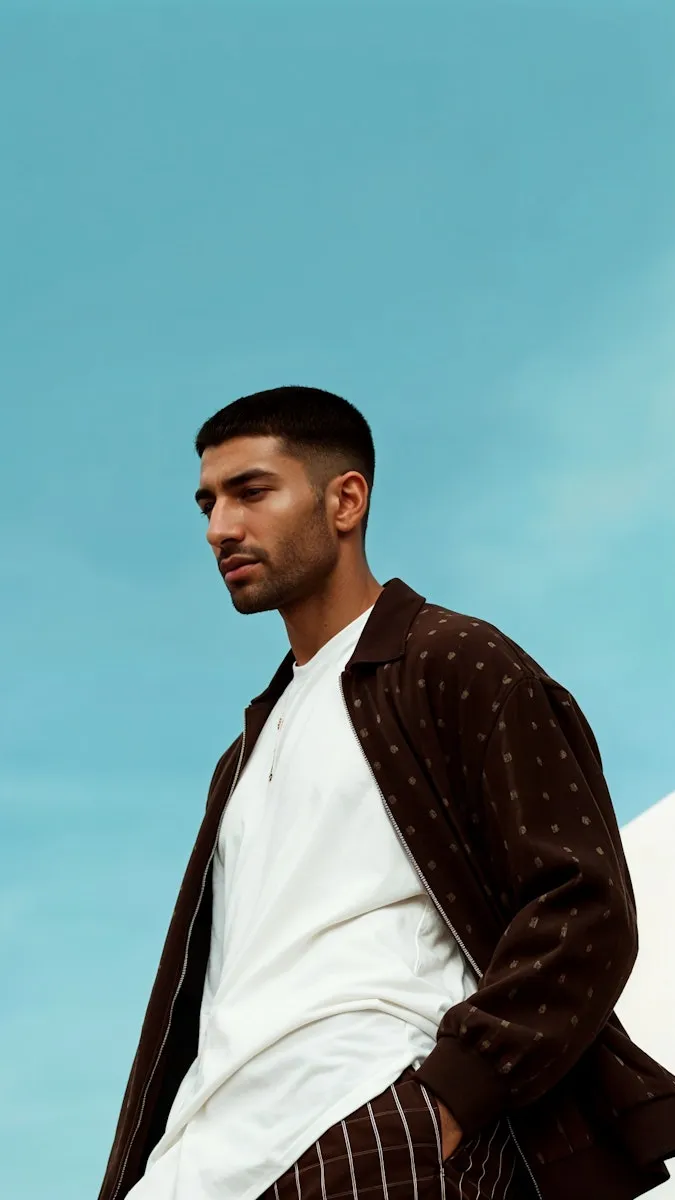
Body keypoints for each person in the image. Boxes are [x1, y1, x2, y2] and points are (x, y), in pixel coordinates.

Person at [98, 387, 675, 1200]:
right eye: (208, 502)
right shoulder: (243, 753)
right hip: (199, 1164)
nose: (218, 528)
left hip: (363, 1130)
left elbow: (583, 905)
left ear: (345, 499)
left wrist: (447, 1101)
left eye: (251, 491)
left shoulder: (453, 662)